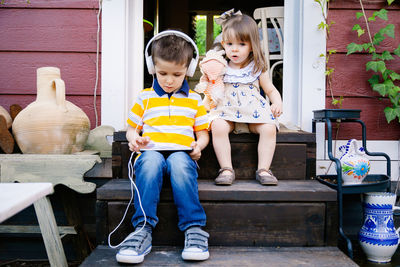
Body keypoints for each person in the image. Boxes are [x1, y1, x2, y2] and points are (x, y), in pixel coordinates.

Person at [115, 30, 210, 264]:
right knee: (149, 163)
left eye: (177, 74)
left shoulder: (194, 100)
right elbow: (131, 129)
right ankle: (142, 229)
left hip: (182, 153)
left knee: (179, 162)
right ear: (152, 68)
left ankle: (194, 228)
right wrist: (133, 138)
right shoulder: (144, 98)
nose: (169, 80)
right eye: (162, 73)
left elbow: (203, 133)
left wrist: (199, 146)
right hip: (151, 151)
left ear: (189, 70)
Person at [209, 10, 283, 186]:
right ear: (223, 44)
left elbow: (271, 90)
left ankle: (264, 169)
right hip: (227, 112)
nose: (234, 49)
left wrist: (277, 102)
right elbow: (210, 88)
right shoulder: (220, 65)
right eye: (229, 44)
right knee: (217, 126)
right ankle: (226, 169)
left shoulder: (257, 66)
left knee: (269, 128)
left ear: (252, 45)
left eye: (241, 44)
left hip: (253, 114)